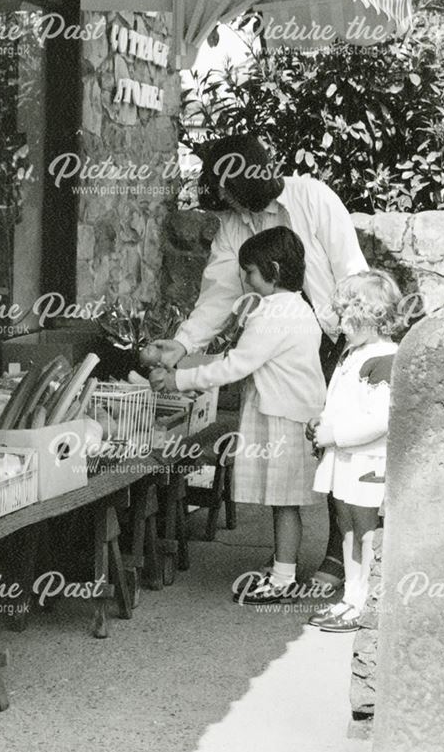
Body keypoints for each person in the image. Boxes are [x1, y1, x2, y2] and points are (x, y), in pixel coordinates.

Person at [143, 133, 368, 591]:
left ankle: (338, 556)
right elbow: (220, 292)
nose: (221, 197)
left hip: (336, 337)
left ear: (246, 177)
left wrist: (364, 347)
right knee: (299, 465)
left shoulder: (313, 199)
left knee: (337, 450)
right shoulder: (233, 223)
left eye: (226, 186)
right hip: (282, 348)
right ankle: (288, 560)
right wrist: (182, 344)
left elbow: (352, 272)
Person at [150, 226, 326, 604]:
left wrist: (178, 379)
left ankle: (283, 579)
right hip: (292, 412)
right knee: (284, 500)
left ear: (273, 270)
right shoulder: (298, 307)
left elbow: (235, 366)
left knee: (285, 501)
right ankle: (283, 565)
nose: (243, 279)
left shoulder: (272, 315)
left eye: (248, 272)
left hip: (284, 416)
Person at [306, 270, 402, 632]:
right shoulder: (355, 352)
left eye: (348, 315)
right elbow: (344, 402)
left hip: (366, 460)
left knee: (364, 531)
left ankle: (362, 601)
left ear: (370, 316)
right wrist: (321, 423)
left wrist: (334, 434)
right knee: (347, 527)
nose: (342, 323)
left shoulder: (385, 358)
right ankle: (351, 596)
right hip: (346, 457)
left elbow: (379, 420)